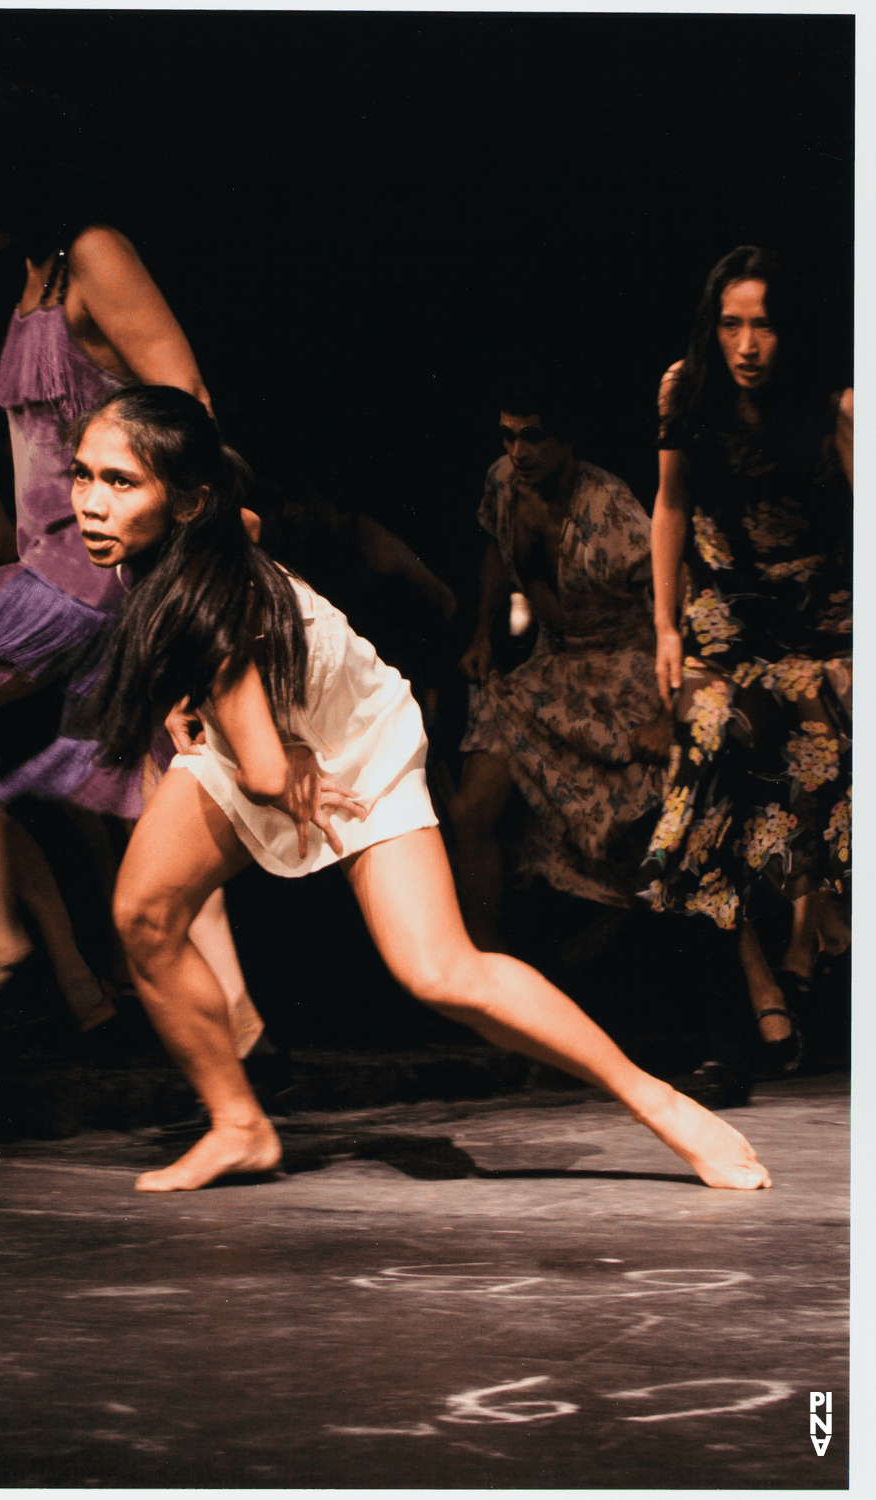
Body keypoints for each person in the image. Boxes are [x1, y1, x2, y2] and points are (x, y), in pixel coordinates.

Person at [65, 382, 771, 1195]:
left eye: (121, 484)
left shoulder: (210, 605)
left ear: (188, 502)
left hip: (352, 746)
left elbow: (266, 770)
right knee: (144, 914)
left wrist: (260, 739)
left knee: (441, 972)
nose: (91, 504)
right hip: (265, 731)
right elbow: (246, 547)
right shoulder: (203, 536)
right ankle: (239, 1125)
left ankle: (662, 1105)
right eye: (85, 475)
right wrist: (199, 705)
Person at [0, 78, 264, 1054]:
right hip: (52, 555)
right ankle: (249, 1034)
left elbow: (185, 395)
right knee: (159, 796)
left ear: (4, 175)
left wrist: (184, 537)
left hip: (105, 561)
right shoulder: (37, 276)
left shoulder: (94, 253)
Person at [642, 246, 852, 1074]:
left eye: (763, 324)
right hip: (724, 627)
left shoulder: (838, 410)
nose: (747, 344)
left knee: (831, 762)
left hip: (820, 625)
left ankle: (811, 951)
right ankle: (754, 1000)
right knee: (707, 757)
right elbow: (669, 506)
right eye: (731, 324)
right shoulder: (684, 394)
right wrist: (664, 629)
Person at [451, 381, 669, 947]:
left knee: (622, 841)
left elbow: (673, 604)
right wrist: (482, 635)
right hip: (549, 666)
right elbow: (497, 553)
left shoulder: (611, 507)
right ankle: (484, 969)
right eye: (508, 436)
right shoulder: (503, 482)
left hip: (621, 668)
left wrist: (669, 713)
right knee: (471, 810)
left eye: (534, 438)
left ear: (567, 439)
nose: (518, 452)